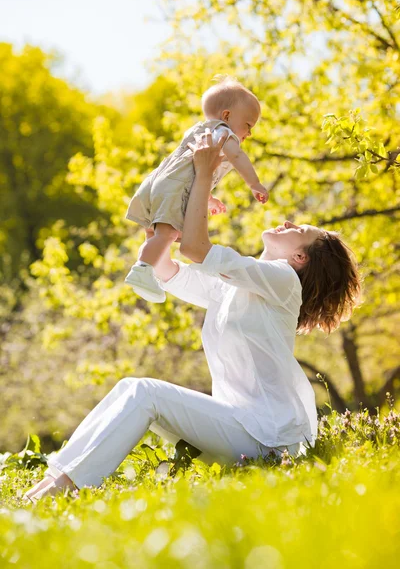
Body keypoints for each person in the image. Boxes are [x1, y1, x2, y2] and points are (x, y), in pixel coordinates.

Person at [23, 130, 361, 503]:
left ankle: (61, 491)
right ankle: (49, 484)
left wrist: (204, 174)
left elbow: (197, 248)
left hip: (269, 439)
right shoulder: (236, 286)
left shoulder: (282, 281)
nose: (286, 222)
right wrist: (165, 219)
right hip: (239, 427)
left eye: (299, 231)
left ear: (300, 259)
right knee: (129, 388)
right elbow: (169, 270)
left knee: (144, 392)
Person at [124, 76, 268, 303]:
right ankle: (142, 270)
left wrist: (207, 198)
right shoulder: (223, 133)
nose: (249, 133)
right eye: (249, 125)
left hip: (159, 183)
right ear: (227, 116)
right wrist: (254, 183)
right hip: (172, 188)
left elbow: (187, 172)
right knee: (168, 234)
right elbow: (238, 156)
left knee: (155, 233)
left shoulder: (199, 131)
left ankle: (150, 271)